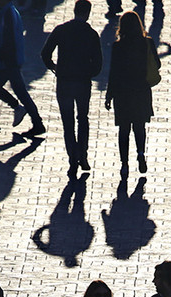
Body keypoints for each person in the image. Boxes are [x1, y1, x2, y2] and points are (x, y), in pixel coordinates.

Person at [41, 0, 103, 178]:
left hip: (64, 82)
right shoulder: (91, 34)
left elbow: (45, 53)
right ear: (88, 13)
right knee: (82, 119)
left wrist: (54, 67)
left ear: (74, 11)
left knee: (68, 122)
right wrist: (88, 73)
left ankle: (72, 159)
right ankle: (82, 156)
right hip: (82, 83)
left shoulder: (61, 29)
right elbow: (98, 65)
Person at [0, 0, 45, 137]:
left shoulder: (7, 14)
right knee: (17, 93)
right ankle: (37, 123)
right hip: (9, 62)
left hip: (8, 63)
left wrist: (2, 60)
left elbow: (9, 40)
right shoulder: (8, 12)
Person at [105, 11, 160, 176]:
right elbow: (156, 64)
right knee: (139, 126)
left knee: (124, 129)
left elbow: (113, 72)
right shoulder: (147, 43)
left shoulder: (118, 46)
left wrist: (109, 95)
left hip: (122, 93)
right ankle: (141, 154)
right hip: (141, 91)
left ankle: (124, 164)